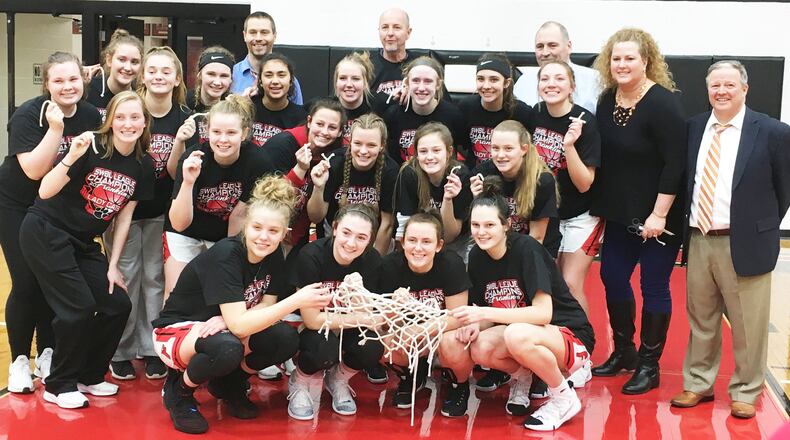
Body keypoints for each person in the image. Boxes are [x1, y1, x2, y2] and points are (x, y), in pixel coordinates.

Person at [152, 175, 331, 434]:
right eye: (257, 228)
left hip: (225, 329)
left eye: (273, 231)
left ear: (285, 234)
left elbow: (266, 306)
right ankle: (179, 391)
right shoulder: (227, 254)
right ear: (245, 226)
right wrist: (295, 300)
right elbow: (243, 322)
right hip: (179, 330)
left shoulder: (274, 255)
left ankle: (228, 384)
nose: (263, 237)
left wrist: (230, 319)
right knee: (228, 348)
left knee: (284, 338)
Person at [669, 61, 790, 419]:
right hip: (699, 237)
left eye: (729, 85)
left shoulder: (773, 132)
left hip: (745, 242)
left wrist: (759, 226)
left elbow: (784, 190)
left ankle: (746, 390)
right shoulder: (693, 129)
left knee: (748, 325)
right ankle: (698, 383)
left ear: (745, 89)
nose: (721, 91)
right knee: (701, 320)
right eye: (715, 85)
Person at [19, 90, 154, 409]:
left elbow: (124, 218)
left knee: (117, 304)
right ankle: (58, 383)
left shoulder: (143, 164)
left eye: (135, 117)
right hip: (46, 230)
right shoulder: (90, 145)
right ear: (110, 120)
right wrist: (71, 156)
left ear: (144, 122)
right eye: (120, 117)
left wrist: (113, 265)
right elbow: (44, 190)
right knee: (77, 307)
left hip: (82, 243)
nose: (127, 123)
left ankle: (90, 375)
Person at [439, 179, 593, 430]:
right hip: (526, 334)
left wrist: (482, 313)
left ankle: (564, 398)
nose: (481, 232)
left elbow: (544, 313)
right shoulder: (477, 256)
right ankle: (524, 376)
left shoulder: (527, 250)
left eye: (490, 225)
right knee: (478, 347)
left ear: (506, 225)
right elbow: (491, 310)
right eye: (476, 225)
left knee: (516, 333)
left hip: (569, 335)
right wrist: (478, 324)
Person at [589, 28, 686, 396]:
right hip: (620, 213)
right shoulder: (606, 99)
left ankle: (650, 365)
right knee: (612, 276)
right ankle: (625, 352)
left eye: (630, 58)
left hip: (659, 215)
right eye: (616, 58)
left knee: (654, 285)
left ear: (646, 61)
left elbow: (675, 163)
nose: (622, 64)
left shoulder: (664, 103)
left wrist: (659, 215)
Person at [0, 51, 101, 394]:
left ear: (83, 80)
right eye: (58, 80)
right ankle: (18, 361)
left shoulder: (89, 114)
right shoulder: (30, 114)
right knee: (27, 282)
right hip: (16, 204)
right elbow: (33, 170)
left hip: (54, 207)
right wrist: (57, 128)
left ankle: (47, 352)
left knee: (52, 282)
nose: (67, 86)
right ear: (46, 85)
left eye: (73, 79)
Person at [106, 46, 191, 382]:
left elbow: (175, 172)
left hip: (160, 212)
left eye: (166, 71)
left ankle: (150, 348)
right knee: (126, 276)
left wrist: (182, 143)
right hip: (123, 210)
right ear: (143, 75)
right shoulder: (131, 109)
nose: (158, 76)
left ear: (177, 78)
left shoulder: (184, 116)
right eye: (152, 70)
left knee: (155, 279)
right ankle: (121, 350)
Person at [164, 95, 270, 296]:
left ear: (244, 133)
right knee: (175, 293)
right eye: (216, 132)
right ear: (207, 131)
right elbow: (178, 224)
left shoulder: (257, 161)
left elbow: (238, 216)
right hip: (186, 231)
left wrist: (229, 260)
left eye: (231, 132)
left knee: (219, 292)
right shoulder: (193, 158)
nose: (223, 139)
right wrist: (188, 182)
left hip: (223, 234)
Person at [287, 204, 384, 420]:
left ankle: (338, 379)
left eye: (361, 237)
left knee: (372, 345)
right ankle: (299, 380)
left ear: (370, 240)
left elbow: (372, 321)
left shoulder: (372, 261)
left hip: (343, 322)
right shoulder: (311, 256)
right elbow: (312, 320)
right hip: (312, 327)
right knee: (324, 347)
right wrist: (364, 316)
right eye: (346, 233)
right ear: (335, 228)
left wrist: (358, 297)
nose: (351, 243)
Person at [532, 60, 601, 320]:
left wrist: (569, 146)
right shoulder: (534, 115)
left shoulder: (585, 121)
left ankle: (583, 345)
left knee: (570, 284)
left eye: (559, 78)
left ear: (572, 86)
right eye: (545, 79)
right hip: (547, 214)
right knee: (547, 285)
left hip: (580, 214)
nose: (552, 84)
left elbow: (585, 183)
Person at [379, 211, 469, 408]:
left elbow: (458, 317)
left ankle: (459, 384)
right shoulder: (389, 266)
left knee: (453, 342)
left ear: (439, 245)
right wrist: (394, 308)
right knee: (382, 343)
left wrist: (420, 330)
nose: (418, 248)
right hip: (409, 334)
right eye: (412, 240)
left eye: (426, 241)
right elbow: (383, 322)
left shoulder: (451, 264)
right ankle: (412, 374)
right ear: (402, 242)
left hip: (442, 332)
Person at [260, 99, 346, 251]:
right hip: (268, 229)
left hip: (300, 234)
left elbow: (316, 215)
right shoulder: (282, 145)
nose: (324, 132)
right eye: (319, 124)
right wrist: (299, 169)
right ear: (309, 121)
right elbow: (271, 201)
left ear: (340, 132)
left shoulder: (337, 153)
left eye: (332, 127)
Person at [307, 113, 398, 255]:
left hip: (374, 237)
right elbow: (315, 217)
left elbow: (387, 224)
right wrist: (319, 187)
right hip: (335, 235)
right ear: (349, 141)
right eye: (358, 143)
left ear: (382, 146)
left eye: (371, 145)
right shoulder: (333, 163)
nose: (363, 151)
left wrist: (374, 263)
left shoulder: (390, 171)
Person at [395, 121, 472, 255]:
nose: (430, 157)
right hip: (420, 240)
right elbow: (404, 228)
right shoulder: (410, 174)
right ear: (416, 154)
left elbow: (450, 236)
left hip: (456, 244)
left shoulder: (460, 175)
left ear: (449, 152)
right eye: (423, 151)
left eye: (436, 150)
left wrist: (447, 199)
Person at [383, 56, 468, 165]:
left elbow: (464, 153)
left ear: (438, 85)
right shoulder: (393, 115)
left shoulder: (453, 115)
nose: (421, 88)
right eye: (415, 81)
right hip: (403, 179)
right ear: (407, 83)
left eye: (428, 81)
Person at [458, 53, 534, 168]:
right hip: (475, 176)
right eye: (480, 79)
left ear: (506, 83)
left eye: (494, 80)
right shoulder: (466, 107)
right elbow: (461, 145)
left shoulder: (522, 112)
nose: (486, 86)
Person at [513, 21, 600, 114]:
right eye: (540, 46)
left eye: (552, 45)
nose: (545, 53)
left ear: (569, 46)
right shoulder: (524, 81)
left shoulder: (594, 79)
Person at [230, 11, 303, 104]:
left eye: (264, 32)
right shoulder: (231, 75)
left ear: (274, 35)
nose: (258, 38)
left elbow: (297, 115)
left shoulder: (289, 81)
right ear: (244, 35)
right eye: (253, 32)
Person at [250, 53, 307, 146]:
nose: (275, 81)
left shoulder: (301, 118)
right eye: (269, 75)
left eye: (281, 75)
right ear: (260, 81)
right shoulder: (248, 109)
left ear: (291, 80)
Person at [85, 29, 143, 121]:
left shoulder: (141, 97)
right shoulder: (88, 90)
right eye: (122, 59)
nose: (128, 68)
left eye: (134, 62)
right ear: (109, 60)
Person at [184, 46, 235, 147]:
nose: (217, 82)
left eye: (224, 76)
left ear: (231, 79)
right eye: (211, 74)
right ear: (199, 75)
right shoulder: (183, 102)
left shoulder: (234, 107)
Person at [333, 51, 384, 143]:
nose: (349, 84)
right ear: (336, 82)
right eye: (343, 78)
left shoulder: (382, 106)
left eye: (356, 79)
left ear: (365, 83)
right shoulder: (325, 108)